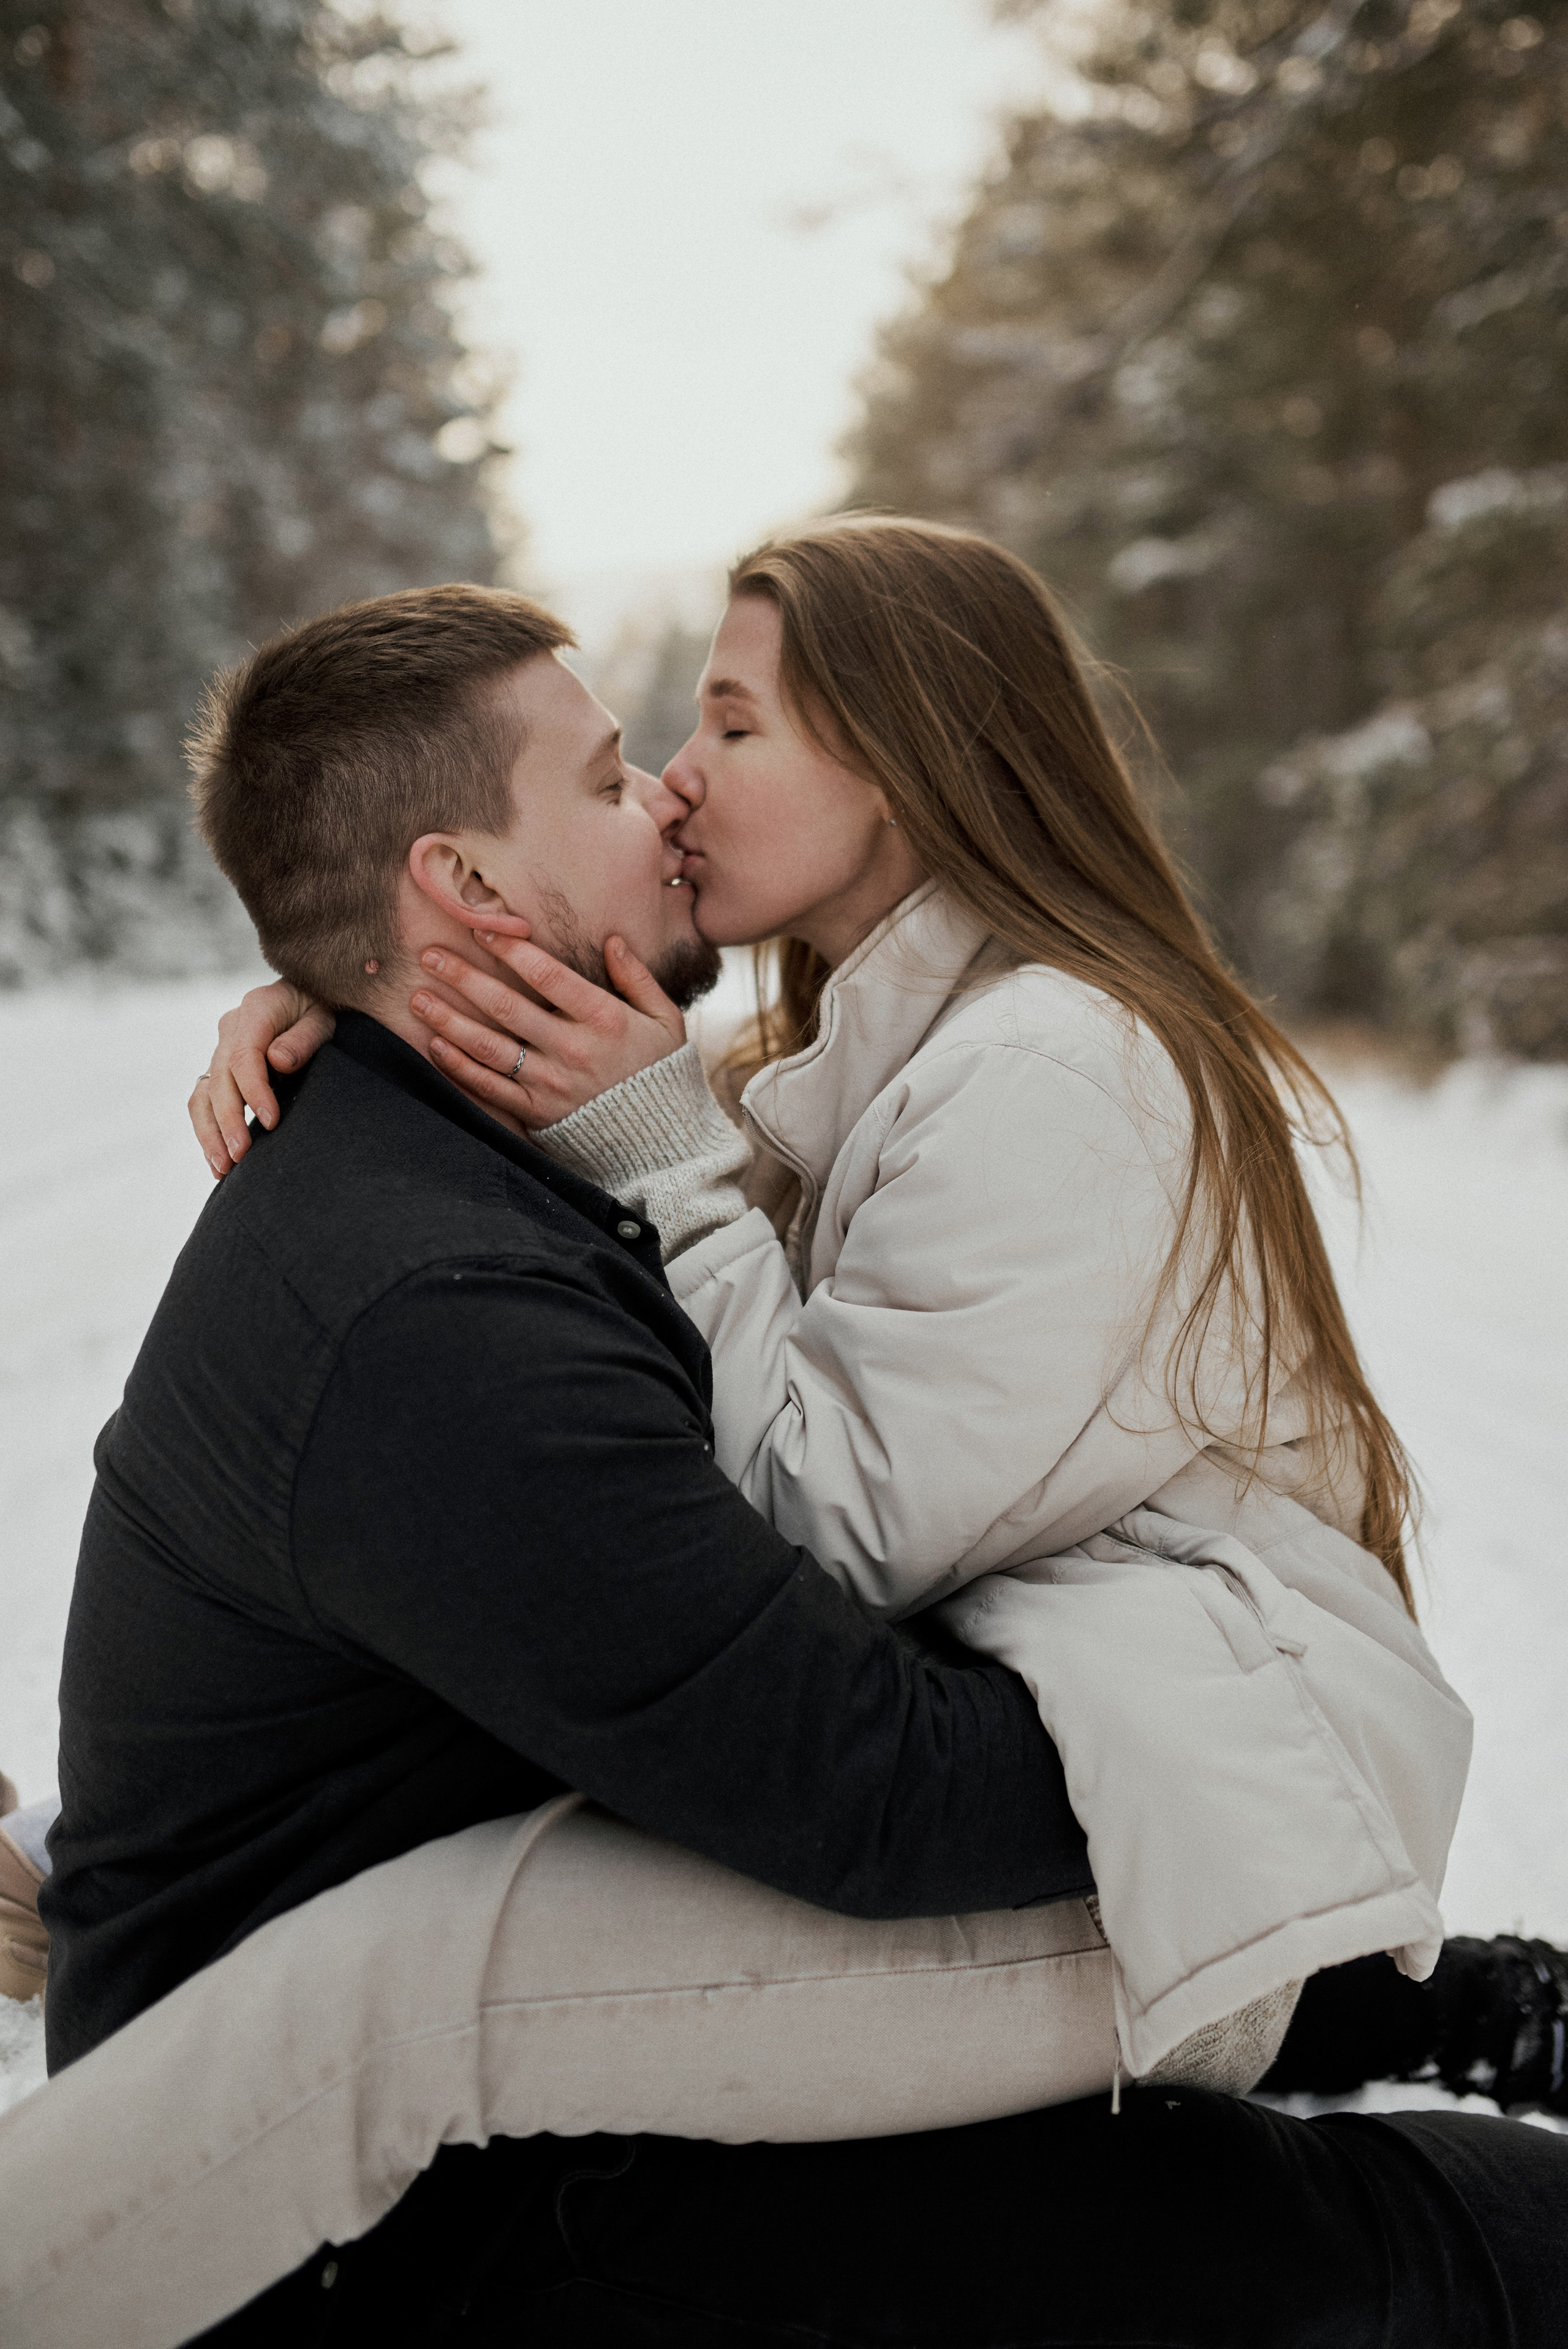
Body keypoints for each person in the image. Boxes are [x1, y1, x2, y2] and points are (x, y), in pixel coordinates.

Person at [4, 552, 1566, 2347]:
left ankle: (1431, 2051)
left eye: (720, 725)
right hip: (360, 2158)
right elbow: (793, 1677)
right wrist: (338, 985)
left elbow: (831, 1550)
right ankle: (1421, 2060)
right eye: (614, 770)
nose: (669, 781)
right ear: (464, 886)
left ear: (898, 763)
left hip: (1167, 1719)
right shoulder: (526, 1208)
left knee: (1182, 2217)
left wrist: (410, 1009)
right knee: (1107, 2220)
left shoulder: (1030, 1065)